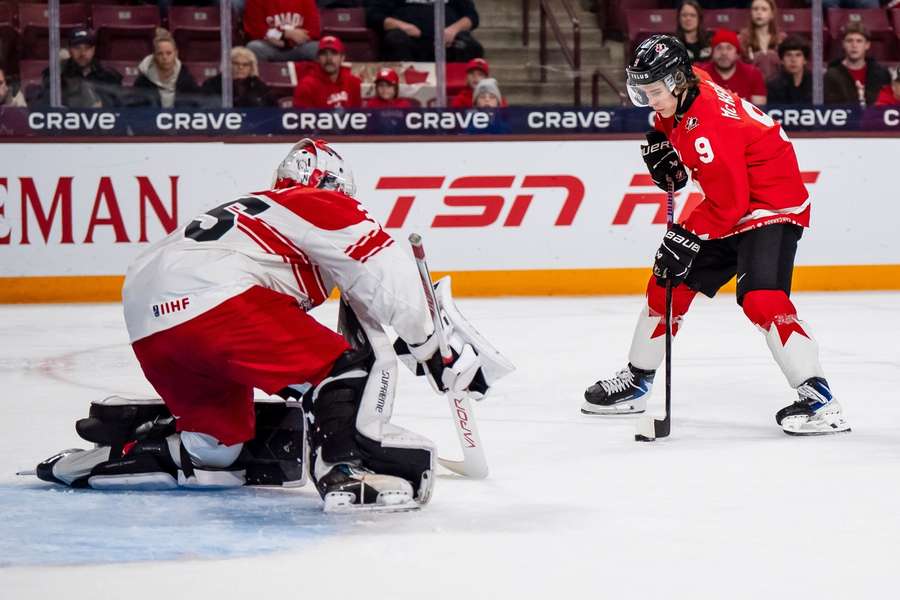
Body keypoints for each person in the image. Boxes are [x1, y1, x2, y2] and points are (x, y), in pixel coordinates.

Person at [34, 138, 500, 511]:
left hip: (148, 321)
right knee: (342, 372)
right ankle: (343, 469)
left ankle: (131, 452)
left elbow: (362, 290)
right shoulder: (318, 202)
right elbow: (383, 270)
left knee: (218, 454)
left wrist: (417, 340)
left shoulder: (253, 210)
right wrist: (434, 347)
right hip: (213, 303)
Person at [582, 34, 849, 437]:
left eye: (654, 92)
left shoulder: (708, 123)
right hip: (736, 199)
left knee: (761, 298)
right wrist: (672, 159)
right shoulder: (689, 87)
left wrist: (685, 233)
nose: (650, 101)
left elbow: (729, 203)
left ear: (676, 81)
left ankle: (821, 401)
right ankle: (637, 381)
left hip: (772, 206)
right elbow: (707, 166)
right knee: (668, 281)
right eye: (644, 91)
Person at [367, 0, 483, 62]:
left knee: (470, 46)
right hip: (409, 42)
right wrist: (403, 26)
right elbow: (373, 15)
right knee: (395, 39)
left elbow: (472, 16)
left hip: (447, 43)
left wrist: (453, 29)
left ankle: (461, 91)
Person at [34, 28, 123, 108]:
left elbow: (121, 107)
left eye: (87, 48)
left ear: (93, 50)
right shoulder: (57, 74)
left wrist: (104, 105)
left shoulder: (109, 75)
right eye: (77, 48)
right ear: (70, 49)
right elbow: (44, 104)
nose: (82, 53)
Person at [824, 22, 891, 107]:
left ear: (867, 45)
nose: (854, 45)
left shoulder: (881, 74)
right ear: (843, 44)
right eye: (849, 41)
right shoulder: (831, 75)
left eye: (859, 41)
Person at [133, 29, 201, 108]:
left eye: (169, 53)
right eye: (160, 54)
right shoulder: (142, 82)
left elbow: (196, 107)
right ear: (154, 55)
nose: (165, 57)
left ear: (176, 54)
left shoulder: (187, 81)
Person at [698, 29, 766, 105]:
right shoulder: (701, 74)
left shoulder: (753, 73)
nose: (724, 53)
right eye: (719, 48)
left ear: (737, 53)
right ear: (712, 52)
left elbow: (760, 108)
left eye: (729, 48)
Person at [292, 36, 361, 109]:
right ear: (318, 58)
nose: (329, 58)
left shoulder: (354, 83)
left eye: (334, 53)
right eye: (324, 54)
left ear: (342, 58)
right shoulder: (306, 87)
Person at [244, 0, 321, 62]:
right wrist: (285, 34)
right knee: (254, 47)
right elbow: (256, 30)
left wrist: (287, 42)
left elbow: (313, 30)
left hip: (297, 47)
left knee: (316, 48)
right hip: (271, 47)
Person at [200, 46, 276, 107]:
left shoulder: (259, 86)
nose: (240, 67)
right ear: (227, 65)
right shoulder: (212, 84)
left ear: (251, 67)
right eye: (236, 63)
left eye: (245, 64)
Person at [738, 0, 785, 81]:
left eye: (764, 9)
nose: (759, 13)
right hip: (750, 82)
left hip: (777, 84)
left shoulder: (782, 38)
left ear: (772, 14)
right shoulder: (742, 38)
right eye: (755, 9)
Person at [766, 35, 812, 104]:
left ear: (805, 60)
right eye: (788, 55)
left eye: (798, 55)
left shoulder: (815, 84)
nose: (793, 60)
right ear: (782, 60)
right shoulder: (772, 85)